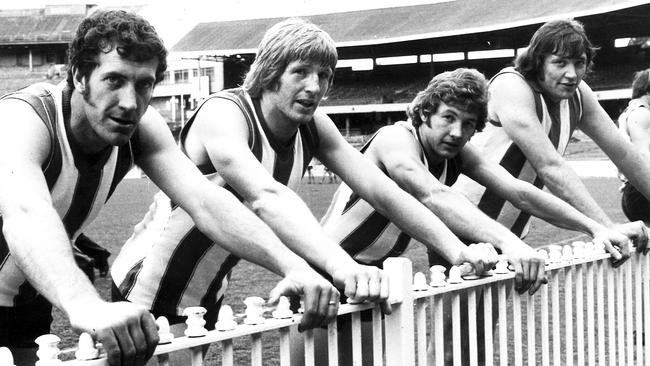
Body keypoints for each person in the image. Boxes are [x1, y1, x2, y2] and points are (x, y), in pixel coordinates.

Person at [111, 17, 498, 345]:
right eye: (300, 72)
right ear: (270, 71)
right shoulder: (224, 113)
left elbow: (383, 192)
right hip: (147, 282)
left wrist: (456, 250)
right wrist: (341, 266)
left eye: (324, 76)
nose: (314, 87)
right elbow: (265, 196)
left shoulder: (314, 127)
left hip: (208, 290)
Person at [0, 10, 348, 366]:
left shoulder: (142, 127)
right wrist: (85, 302)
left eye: (144, 84)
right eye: (114, 80)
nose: (130, 102)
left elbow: (206, 201)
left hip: (31, 287)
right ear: (78, 76)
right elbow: (25, 212)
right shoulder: (23, 118)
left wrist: (294, 266)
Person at [320, 68, 634, 365]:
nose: (457, 132)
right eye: (448, 118)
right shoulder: (396, 139)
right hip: (329, 269)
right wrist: (509, 241)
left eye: (468, 124)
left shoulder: (457, 153)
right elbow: (432, 195)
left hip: (375, 278)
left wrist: (596, 227)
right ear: (425, 114)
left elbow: (519, 192)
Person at [452, 19, 649, 263]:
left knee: (492, 304)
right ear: (538, 62)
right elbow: (549, 166)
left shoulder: (579, 94)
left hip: (510, 231)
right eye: (560, 63)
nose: (571, 74)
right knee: (461, 302)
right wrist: (605, 225)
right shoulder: (513, 86)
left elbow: (624, 154)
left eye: (580, 63)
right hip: (465, 223)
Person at [618, 68, 650, 224]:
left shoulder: (630, 111)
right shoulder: (641, 114)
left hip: (635, 188)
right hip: (642, 189)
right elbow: (644, 155)